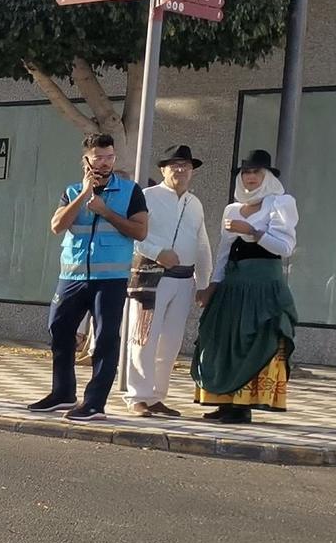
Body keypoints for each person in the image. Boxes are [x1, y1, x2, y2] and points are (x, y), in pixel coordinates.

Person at [28, 133, 149, 422]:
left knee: (106, 338)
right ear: (86, 160)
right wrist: (84, 195)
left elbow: (140, 231)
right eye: (98, 157)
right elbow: (57, 226)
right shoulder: (71, 191)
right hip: (72, 275)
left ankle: (94, 403)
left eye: (109, 157)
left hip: (111, 278)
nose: (104, 163)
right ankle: (62, 392)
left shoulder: (131, 191)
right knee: (59, 328)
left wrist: (105, 211)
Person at [192, 149, 298, 424]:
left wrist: (251, 231)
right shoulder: (232, 209)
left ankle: (244, 405)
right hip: (233, 285)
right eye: (246, 172)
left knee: (255, 339)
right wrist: (212, 286)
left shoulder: (280, 203)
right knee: (222, 339)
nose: (250, 177)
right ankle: (224, 401)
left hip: (263, 285)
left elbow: (285, 247)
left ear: (267, 176)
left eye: (256, 172)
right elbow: (224, 252)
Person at [123, 144, 213, 417]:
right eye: (174, 165)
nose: (180, 170)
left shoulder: (194, 203)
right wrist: (158, 253)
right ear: (162, 169)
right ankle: (136, 396)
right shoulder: (146, 196)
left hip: (183, 280)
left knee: (171, 342)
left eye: (185, 165)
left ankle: (156, 396)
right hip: (151, 277)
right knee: (143, 337)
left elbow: (202, 244)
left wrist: (204, 283)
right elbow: (133, 234)